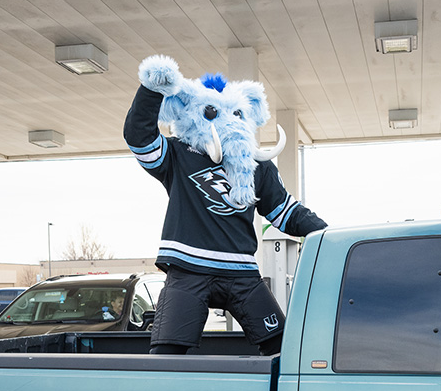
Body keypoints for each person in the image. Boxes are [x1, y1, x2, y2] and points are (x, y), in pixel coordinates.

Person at [125, 55, 327, 356]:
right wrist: (152, 89)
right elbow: (139, 138)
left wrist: (328, 235)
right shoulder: (179, 155)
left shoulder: (258, 166)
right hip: (188, 270)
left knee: (282, 349)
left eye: (237, 114)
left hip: (242, 273)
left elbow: (285, 212)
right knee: (166, 354)